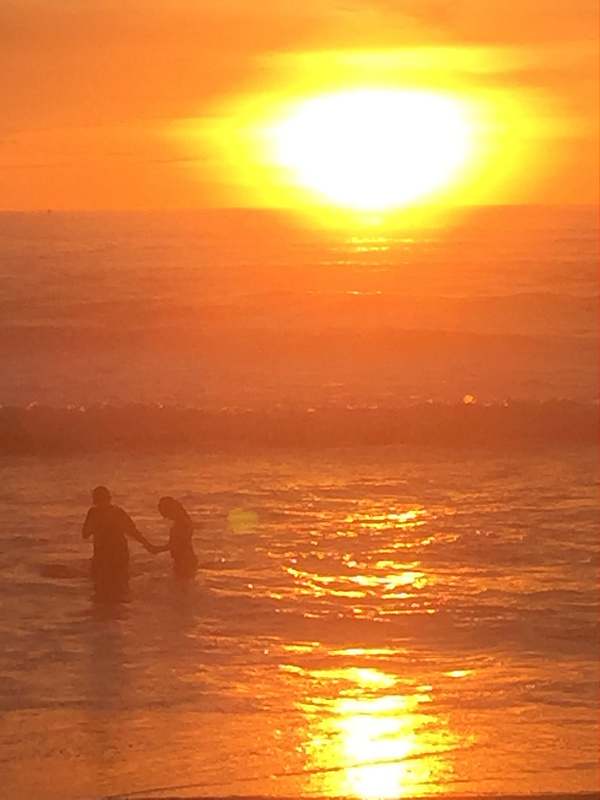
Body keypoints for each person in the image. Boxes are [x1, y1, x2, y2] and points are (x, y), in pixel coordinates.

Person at [82, 485, 154, 600]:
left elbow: (85, 534)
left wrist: (96, 527)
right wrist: (147, 545)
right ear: (109, 497)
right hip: (118, 555)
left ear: (95, 499)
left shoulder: (93, 513)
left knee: (101, 589)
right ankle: (120, 612)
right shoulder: (117, 512)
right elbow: (133, 531)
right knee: (120, 587)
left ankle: (105, 613)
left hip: (104, 556)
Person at [153, 496, 199, 578]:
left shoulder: (182, 524)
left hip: (185, 561)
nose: (165, 517)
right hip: (185, 560)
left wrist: (157, 549)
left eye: (165, 514)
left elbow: (176, 544)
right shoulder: (183, 520)